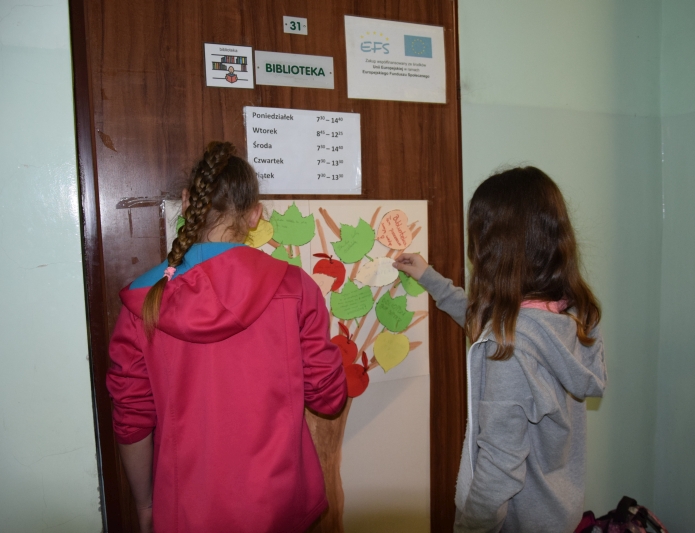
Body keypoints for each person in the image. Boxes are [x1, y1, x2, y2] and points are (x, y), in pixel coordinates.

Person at [106, 141, 347, 533]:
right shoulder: (295, 288)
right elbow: (329, 398)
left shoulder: (144, 300)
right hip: (279, 505)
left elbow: (131, 421)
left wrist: (146, 505)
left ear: (188, 202)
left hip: (187, 512)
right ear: (254, 215)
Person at [394, 167, 607, 533]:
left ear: (493, 249)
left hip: (521, 523)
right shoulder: (570, 315)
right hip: (558, 513)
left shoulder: (512, 348)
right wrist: (431, 280)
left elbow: (498, 468)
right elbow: (488, 319)